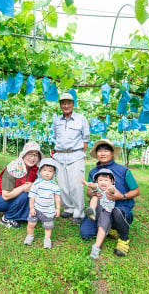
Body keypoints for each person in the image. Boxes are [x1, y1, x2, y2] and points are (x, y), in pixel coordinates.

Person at [80, 139, 140, 257]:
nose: (103, 153)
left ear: (112, 153)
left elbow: (136, 191)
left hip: (119, 208)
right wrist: (93, 194)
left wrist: (121, 196)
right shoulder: (93, 172)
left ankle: (123, 238)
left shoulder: (123, 171)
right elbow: (89, 191)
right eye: (100, 150)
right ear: (96, 153)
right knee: (86, 233)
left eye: (106, 150)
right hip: (101, 209)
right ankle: (109, 227)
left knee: (117, 212)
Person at [52, 92, 90, 224]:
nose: (66, 105)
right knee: (62, 184)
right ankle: (68, 208)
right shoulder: (56, 120)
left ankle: (78, 213)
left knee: (76, 185)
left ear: (73, 104)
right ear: (60, 105)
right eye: (63, 103)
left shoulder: (81, 119)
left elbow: (85, 139)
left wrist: (76, 152)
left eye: (68, 103)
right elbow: (56, 136)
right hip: (59, 156)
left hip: (76, 155)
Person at [0, 141, 43, 228]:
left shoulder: (34, 169)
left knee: (31, 193)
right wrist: (24, 187)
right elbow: (6, 195)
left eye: (36, 155)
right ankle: (7, 218)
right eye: (30, 154)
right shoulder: (13, 168)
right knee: (25, 194)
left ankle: (22, 214)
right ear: (24, 155)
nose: (33, 158)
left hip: (15, 195)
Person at [24, 158, 61, 249]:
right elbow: (32, 197)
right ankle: (30, 235)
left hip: (49, 211)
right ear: (40, 171)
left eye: (50, 171)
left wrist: (58, 208)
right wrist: (32, 208)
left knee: (48, 227)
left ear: (54, 173)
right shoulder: (36, 184)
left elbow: (57, 197)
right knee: (31, 224)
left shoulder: (54, 185)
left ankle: (47, 239)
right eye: (44, 170)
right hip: (37, 209)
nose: (47, 173)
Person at [81, 169, 116, 259]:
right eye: (100, 180)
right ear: (97, 181)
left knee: (102, 226)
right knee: (95, 197)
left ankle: (96, 247)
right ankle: (91, 211)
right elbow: (93, 185)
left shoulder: (112, 187)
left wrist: (110, 189)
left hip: (106, 211)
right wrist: (87, 183)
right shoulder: (98, 187)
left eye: (106, 180)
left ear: (112, 181)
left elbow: (112, 191)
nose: (103, 182)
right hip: (97, 209)